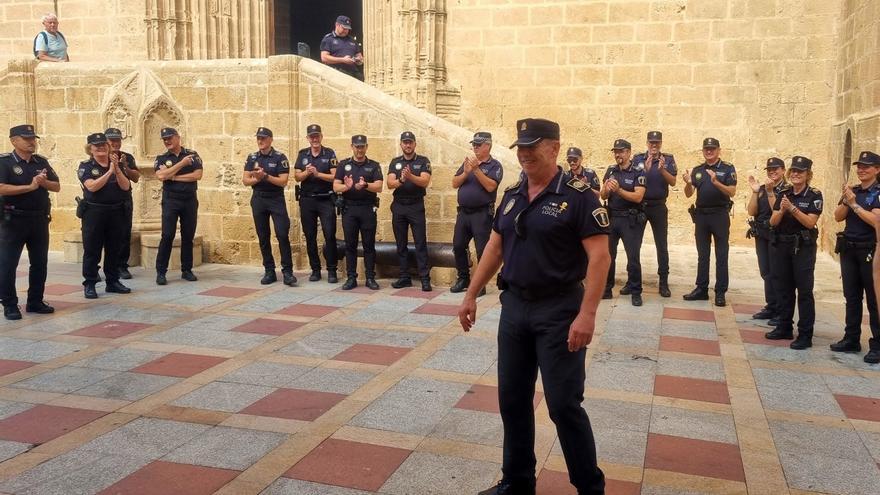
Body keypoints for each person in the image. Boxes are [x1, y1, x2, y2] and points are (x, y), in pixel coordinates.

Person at [459, 118, 610, 495]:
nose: (524, 153)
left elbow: (600, 258)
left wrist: (587, 314)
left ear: (555, 147)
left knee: (563, 405)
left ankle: (590, 487)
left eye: (533, 145)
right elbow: (495, 247)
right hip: (515, 310)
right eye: (520, 147)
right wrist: (471, 293)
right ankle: (517, 482)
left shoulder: (579, 196)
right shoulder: (512, 194)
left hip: (559, 311)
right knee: (512, 399)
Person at [0, 125, 59, 319]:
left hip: (38, 219)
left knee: (40, 263)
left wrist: (43, 183)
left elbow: (56, 186)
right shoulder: (5, 163)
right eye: (26, 138)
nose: (31, 142)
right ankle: (9, 304)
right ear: (14, 141)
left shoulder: (40, 162)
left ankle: (35, 301)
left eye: (33, 138)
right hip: (14, 220)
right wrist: (30, 186)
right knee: (8, 264)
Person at [764, 156, 822, 350]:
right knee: (783, 288)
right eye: (794, 171)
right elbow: (773, 221)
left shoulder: (814, 195)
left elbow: (810, 222)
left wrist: (793, 209)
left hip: (803, 247)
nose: (796, 174)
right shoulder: (784, 192)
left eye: (800, 172)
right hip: (782, 246)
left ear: (808, 175)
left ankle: (805, 334)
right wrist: (781, 210)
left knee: (804, 291)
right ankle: (784, 326)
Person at [832, 150, 880, 364]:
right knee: (851, 297)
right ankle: (851, 338)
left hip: (869, 250)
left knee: (874, 299)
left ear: (877, 170)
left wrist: (854, 204)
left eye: (866, 166)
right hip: (849, 249)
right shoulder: (854, 190)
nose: (861, 169)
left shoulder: (878, 192)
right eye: (859, 166)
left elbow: (875, 221)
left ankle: (877, 345)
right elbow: (837, 217)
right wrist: (846, 199)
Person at [682, 138, 737, 307]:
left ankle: (720, 292)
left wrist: (716, 183)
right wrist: (688, 183)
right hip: (702, 216)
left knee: (721, 255)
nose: (709, 151)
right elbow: (688, 194)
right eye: (706, 149)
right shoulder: (699, 170)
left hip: (719, 215)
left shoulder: (727, 168)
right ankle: (701, 289)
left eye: (712, 149)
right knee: (702, 254)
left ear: (719, 150)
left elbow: (732, 191)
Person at [77, 133, 132, 299]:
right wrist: (109, 173)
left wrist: (116, 169)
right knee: (92, 249)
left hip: (116, 212)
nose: (101, 148)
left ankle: (113, 281)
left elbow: (126, 187)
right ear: (90, 149)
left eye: (103, 145)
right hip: (94, 213)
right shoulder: (86, 166)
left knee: (114, 248)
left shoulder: (117, 164)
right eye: (96, 146)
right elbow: (92, 187)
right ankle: (90, 283)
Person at [451, 131, 503, 294]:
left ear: (487, 146)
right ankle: (463, 278)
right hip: (464, 213)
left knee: (482, 250)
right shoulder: (467, 163)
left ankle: (480, 284)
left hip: (482, 214)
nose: (475, 147)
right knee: (458, 245)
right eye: (473, 144)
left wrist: (476, 170)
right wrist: (466, 172)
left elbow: (490, 186)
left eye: (478, 145)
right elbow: (454, 182)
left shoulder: (495, 166)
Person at [243, 127, 295, 286]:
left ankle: (287, 272)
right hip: (259, 198)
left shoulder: (280, 158)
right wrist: (258, 179)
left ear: (271, 139)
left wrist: (265, 176)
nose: (260, 141)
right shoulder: (252, 158)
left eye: (264, 138)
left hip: (276, 199)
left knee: (282, 234)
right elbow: (245, 180)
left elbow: (283, 181)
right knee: (263, 236)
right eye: (258, 138)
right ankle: (269, 270)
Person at [333, 135, 383, 290]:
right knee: (350, 245)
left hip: (367, 208)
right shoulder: (343, 165)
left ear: (366, 147)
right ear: (352, 146)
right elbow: (335, 187)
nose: (359, 149)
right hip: (350, 209)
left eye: (362, 146)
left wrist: (365, 185)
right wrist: (347, 187)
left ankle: (370, 277)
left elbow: (379, 186)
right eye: (357, 146)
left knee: (369, 245)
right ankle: (351, 278)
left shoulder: (373, 165)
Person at [153, 128, 202, 285]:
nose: (167, 141)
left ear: (178, 138)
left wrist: (173, 176)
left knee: (188, 236)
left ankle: (186, 270)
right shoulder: (161, 158)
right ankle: (161, 272)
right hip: (171, 201)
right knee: (167, 235)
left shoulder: (192, 155)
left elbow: (198, 175)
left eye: (169, 138)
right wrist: (181, 164)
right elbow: (161, 176)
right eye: (164, 139)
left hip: (189, 200)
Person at [601, 139, 646, 306]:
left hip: (630, 219)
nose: (617, 155)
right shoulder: (611, 171)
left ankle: (636, 292)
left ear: (628, 153)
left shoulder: (638, 172)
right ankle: (606, 289)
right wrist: (607, 189)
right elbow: (603, 196)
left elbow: (638, 196)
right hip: (612, 218)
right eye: (615, 152)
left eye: (621, 151)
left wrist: (619, 190)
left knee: (633, 257)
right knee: (608, 256)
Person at [631, 131, 677, 297]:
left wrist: (662, 170)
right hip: (640, 206)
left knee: (661, 246)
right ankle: (632, 281)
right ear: (647, 143)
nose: (654, 145)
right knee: (634, 245)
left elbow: (673, 181)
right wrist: (647, 170)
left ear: (661, 143)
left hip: (659, 207)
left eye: (657, 142)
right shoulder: (637, 159)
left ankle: (663, 282)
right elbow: (634, 178)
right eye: (651, 142)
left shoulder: (668, 159)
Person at [387, 131, 433, 291]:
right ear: (401, 144)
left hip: (415, 206)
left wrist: (410, 176)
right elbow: (389, 183)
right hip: (399, 206)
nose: (408, 145)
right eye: (405, 142)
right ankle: (404, 276)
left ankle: (425, 278)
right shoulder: (395, 162)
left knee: (420, 243)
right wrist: (401, 179)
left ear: (414, 144)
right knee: (401, 244)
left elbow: (425, 181)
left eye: (410, 142)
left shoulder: (423, 161)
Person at [294, 124, 339, 283]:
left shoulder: (329, 153)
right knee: (310, 236)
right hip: (307, 200)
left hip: (326, 199)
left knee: (329, 235)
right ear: (308, 138)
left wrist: (318, 174)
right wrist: (307, 172)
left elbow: (335, 177)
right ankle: (315, 270)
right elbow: (297, 177)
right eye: (311, 136)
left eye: (317, 135)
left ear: (321, 136)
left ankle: (332, 270)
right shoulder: (302, 154)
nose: (314, 139)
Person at [746, 158, 786, 324]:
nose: (772, 172)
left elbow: (776, 211)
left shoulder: (787, 190)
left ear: (783, 170)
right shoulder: (762, 188)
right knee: (766, 272)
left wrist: (771, 191)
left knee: (778, 273)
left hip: (777, 235)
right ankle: (771, 306)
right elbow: (751, 210)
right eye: (769, 169)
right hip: (762, 233)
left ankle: (781, 310)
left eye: (775, 169)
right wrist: (755, 192)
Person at [105, 128, 139, 280]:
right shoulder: (100, 157)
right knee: (104, 235)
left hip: (124, 200)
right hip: (106, 201)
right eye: (112, 140)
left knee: (124, 233)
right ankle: (103, 267)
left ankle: (122, 266)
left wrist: (125, 165)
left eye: (118, 140)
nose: (115, 143)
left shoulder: (127, 157)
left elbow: (136, 177)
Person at [320, 15, 364, 81]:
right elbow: (324, 58)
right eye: (344, 28)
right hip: (337, 74)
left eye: (348, 29)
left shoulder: (352, 40)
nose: (346, 31)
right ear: (337, 25)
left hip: (353, 73)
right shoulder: (328, 39)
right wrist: (343, 60)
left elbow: (360, 57)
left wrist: (358, 60)